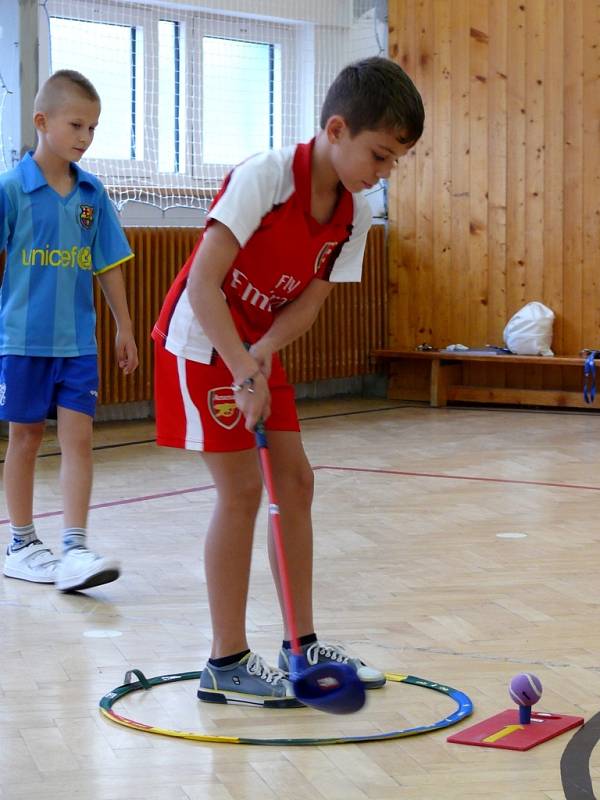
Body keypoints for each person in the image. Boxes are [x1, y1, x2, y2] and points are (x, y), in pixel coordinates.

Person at [152, 56, 424, 707]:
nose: (383, 173)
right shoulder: (267, 176)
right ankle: (225, 661)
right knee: (243, 491)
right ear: (336, 129)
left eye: (395, 163)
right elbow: (202, 283)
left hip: (254, 347)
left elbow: (312, 298)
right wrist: (242, 364)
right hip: (201, 340)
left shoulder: (353, 213)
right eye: (380, 156)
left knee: (296, 482)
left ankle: (300, 646)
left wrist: (266, 351)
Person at [0, 70, 138, 592]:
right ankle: (21, 543)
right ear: (42, 121)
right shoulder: (11, 190)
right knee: (26, 438)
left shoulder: (91, 193)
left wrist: (124, 327)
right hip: (22, 341)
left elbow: (108, 264)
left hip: (79, 343)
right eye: (76, 124)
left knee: (80, 440)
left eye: (93, 128)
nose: (84, 137)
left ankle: (75, 547)